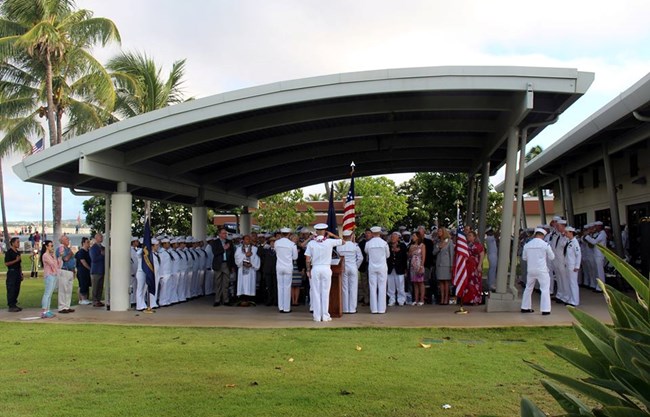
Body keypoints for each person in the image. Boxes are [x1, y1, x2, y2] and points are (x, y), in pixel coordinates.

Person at [305, 223, 342, 322]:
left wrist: (308, 270)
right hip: (326, 268)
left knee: (316, 292)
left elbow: (307, 259)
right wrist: (333, 235)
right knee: (325, 292)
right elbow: (343, 241)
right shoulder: (329, 241)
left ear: (316, 231)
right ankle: (325, 316)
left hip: (316, 268)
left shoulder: (311, 243)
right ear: (325, 231)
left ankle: (317, 316)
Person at [521, 228, 555, 315]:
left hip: (531, 269)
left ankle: (525, 307)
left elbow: (524, 258)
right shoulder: (545, 244)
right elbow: (552, 257)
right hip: (542, 270)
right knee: (544, 289)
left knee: (528, 288)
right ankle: (545, 309)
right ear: (542, 235)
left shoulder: (527, 245)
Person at [336, 229, 363, 313]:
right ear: (351, 236)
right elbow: (360, 258)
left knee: (344, 288)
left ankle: (345, 308)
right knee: (353, 288)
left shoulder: (339, 246)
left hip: (343, 267)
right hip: (353, 267)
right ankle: (352, 309)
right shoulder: (355, 246)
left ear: (343, 237)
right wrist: (356, 266)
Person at [365, 226, 390, 314]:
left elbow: (366, 252)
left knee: (372, 287)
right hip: (382, 267)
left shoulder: (368, 243)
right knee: (382, 287)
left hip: (372, 267)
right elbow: (387, 255)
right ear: (379, 233)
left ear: (372, 233)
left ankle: (374, 309)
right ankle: (381, 309)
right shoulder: (384, 243)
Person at [274, 227, 298, 313]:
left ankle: (281, 307)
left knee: (280, 286)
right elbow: (295, 257)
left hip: (279, 266)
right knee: (287, 287)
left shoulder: (277, 243)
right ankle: (286, 308)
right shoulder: (292, 244)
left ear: (281, 234)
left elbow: (276, 252)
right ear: (289, 234)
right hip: (288, 266)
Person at [210, 228, 235, 306]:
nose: (225, 235)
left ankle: (226, 300)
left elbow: (232, 255)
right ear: (219, 234)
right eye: (223, 233)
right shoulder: (215, 242)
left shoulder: (229, 242)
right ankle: (217, 300)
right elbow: (215, 252)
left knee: (226, 283)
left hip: (227, 264)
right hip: (218, 264)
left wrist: (232, 266)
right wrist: (223, 248)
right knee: (218, 283)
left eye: (226, 233)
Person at [235, 234, 261, 305]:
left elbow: (257, 258)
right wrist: (245, 255)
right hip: (242, 269)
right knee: (242, 283)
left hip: (251, 269)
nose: (248, 240)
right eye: (246, 239)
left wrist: (252, 264)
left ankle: (250, 299)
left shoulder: (255, 249)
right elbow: (237, 258)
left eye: (249, 239)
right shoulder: (239, 249)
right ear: (243, 240)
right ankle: (242, 299)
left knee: (250, 283)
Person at [432, 227, 454, 305]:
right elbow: (434, 252)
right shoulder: (437, 242)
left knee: (446, 282)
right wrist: (439, 247)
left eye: (440, 231)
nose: (439, 232)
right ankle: (442, 298)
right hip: (439, 264)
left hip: (446, 264)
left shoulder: (449, 242)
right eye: (438, 231)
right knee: (441, 281)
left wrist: (451, 265)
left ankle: (446, 299)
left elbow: (451, 254)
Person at [462, 230, 484, 305]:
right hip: (468, 265)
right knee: (468, 282)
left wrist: (479, 265)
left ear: (474, 237)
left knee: (475, 282)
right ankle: (468, 299)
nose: (468, 237)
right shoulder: (467, 245)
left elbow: (481, 254)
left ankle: (475, 300)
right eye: (468, 235)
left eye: (470, 235)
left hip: (475, 265)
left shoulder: (478, 245)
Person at [386, 232, 407, 307]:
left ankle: (401, 300)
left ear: (398, 238)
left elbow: (405, 257)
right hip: (390, 268)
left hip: (400, 268)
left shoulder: (402, 246)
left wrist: (405, 268)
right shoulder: (388, 245)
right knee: (391, 286)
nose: (393, 238)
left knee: (400, 285)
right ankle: (392, 300)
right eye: (392, 237)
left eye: (394, 237)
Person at [56, 235, 76, 314]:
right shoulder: (61, 249)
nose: (68, 240)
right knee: (63, 290)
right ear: (62, 241)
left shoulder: (68, 249)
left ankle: (67, 306)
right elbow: (65, 258)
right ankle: (61, 307)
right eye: (66, 239)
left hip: (70, 271)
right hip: (64, 270)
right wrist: (71, 253)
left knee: (68, 290)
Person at [39, 240, 59, 318]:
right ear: (46, 246)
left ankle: (48, 310)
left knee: (50, 294)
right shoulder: (45, 255)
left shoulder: (50, 255)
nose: (52, 247)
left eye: (52, 246)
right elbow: (52, 263)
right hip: (49, 275)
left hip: (54, 274)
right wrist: (54, 257)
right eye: (50, 246)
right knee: (47, 293)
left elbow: (57, 264)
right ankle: (44, 311)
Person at [564, 226, 582, 307]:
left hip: (573, 266)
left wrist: (577, 266)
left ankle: (575, 301)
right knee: (569, 283)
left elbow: (578, 255)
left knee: (573, 283)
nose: (565, 234)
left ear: (571, 232)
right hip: (568, 265)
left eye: (567, 232)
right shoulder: (569, 242)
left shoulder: (575, 242)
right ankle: (571, 299)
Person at [5, 236, 23, 312]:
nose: (19, 244)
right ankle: (11, 305)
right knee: (11, 289)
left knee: (16, 289)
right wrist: (15, 260)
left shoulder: (18, 252)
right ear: (12, 243)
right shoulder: (9, 252)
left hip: (17, 272)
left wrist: (21, 273)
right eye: (17, 242)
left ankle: (14, 304)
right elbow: (6, 263)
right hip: (12, 272)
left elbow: (20, 264)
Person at [408, 232, 427, 306]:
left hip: (419, 265)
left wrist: (421, 266)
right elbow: (409, 256)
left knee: (420, 282)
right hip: (413, 266)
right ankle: (415, 299)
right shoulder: (412, 246)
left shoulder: (422, 245)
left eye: (414, 236)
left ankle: (421, 299)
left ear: (418, 237)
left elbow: (423, 256)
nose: (413, 237)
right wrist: (411, 251)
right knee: (415, 283)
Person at [89, 233, 106, 307]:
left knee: (100, 286)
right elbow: (94, 259)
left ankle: (98, 300)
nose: (102, 238)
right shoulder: (93, 248)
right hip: (96, 270)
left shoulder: (102, 247)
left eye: (102, 237)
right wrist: (102, 255)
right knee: (95, 286)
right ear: (96, 238)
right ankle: (95, 301)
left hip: (102, 269)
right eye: (100, 237)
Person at [75, 237, 92, 305]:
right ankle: (82, 299)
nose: (89, 244)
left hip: (86, 272)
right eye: (87, 242)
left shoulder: (88, 251)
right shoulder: (81, 252)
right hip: (82, 271)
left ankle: (85, 298)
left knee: (86, 285)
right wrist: (89, 268)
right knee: (82, 285)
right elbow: (83, 261)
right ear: (83, 243)